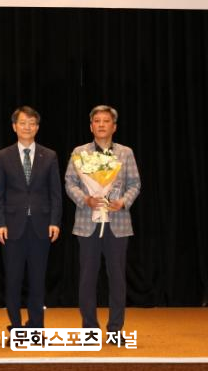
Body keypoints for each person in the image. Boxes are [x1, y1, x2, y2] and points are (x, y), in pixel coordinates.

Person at [65, 105, 140, 338]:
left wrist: (123, 201)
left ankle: (115, 329)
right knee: (87, 278)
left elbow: (135, 184)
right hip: (88, 223)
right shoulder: (80, 152)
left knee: (117, 278)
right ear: (91, 126)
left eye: (106, 121)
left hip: (117, 224)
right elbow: (70, 183)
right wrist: (85, 199)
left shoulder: (125, 153)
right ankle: (90, 329)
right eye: (96, 121)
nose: (101, 125)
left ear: (114, 126)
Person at [0, 106, 62, 330]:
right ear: (14, 127)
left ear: (37, 127)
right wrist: (0, 223)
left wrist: (55, 221)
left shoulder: (49, 155)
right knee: (13, 280)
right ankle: (15, 326)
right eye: (22, 123)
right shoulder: (3, 156)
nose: (27, 127)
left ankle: (36, 326)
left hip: (41, 227)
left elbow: (56, 193)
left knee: (37, 281)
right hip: (12, 227)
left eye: (32, 123)